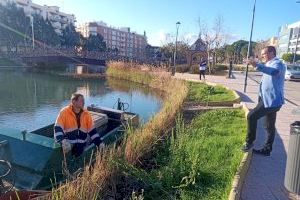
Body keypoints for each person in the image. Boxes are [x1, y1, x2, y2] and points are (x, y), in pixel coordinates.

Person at [241, 46, 285, 156]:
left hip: (271, 101)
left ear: (271, 53)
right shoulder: (269, 63)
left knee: (251, 116)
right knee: (269, 126)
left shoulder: (277, 63)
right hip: (268, 100)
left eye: (264, 53)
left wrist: (257, 65)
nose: (262, 56)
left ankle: (249, 142)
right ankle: (267, 149)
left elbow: (273, 72)